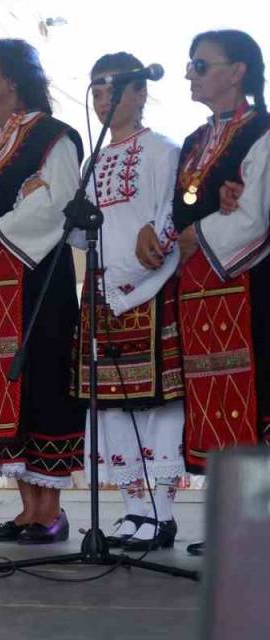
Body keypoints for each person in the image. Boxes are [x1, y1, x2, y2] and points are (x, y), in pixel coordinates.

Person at [0, 40, 86, 544]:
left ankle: (51, 508)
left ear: (13, 78)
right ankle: (26, 507)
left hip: (36, 279)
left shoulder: (54, 137)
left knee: (40, 381)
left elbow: (59, 201)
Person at [153, 30, 270, 556]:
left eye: (201, 65)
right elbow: (182, 210)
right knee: (214, 403)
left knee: (257, 397)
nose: (189, 74)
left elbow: (256, 216)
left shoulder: (264, 132)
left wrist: (198, 233)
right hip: (201, 288)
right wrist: (172, 235)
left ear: (238, 69)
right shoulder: (198, 140)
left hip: (250, 286)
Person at [71, 53, 185, 551]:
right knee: (111, 406)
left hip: (152, 288)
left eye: (114, 89)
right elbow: (80, 233)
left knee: (156, 402)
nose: (103, 99)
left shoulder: (163, 150)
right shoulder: (92, 159)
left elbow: (172, 214)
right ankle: (132, 510)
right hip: (100, 290)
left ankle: (162, 512)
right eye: (96, 89)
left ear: (140, 93)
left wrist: (150, 243)